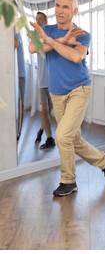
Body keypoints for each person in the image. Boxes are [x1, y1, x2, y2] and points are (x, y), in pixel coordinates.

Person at [28, 0, 105, 196]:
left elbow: (76, 57)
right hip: (56, 92)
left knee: (62, 136)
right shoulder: (47, 29)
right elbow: (33, 48)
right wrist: (62, 39)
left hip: (79, 88)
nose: (60, 10)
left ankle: (68, 181)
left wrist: (51, 42)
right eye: (58, 5)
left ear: (75, 11)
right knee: (72, 139)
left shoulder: (83, 33)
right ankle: (104, 160)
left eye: (66, 7)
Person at [34, 11, 55, 150]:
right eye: (37, 19)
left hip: (54, 80)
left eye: (41, 19)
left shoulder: (52, 35)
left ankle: (41, 130)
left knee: (52, 110)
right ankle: (50, 139)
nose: (39, 21)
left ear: (46, 21)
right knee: (44, 110)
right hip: (42, 80)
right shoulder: (35, 37)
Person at [15, 31, 26, 141]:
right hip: (10, 76)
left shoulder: (16, 33)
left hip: (20, 74)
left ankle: (19, 132)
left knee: (20, 103)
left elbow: (16, 43)